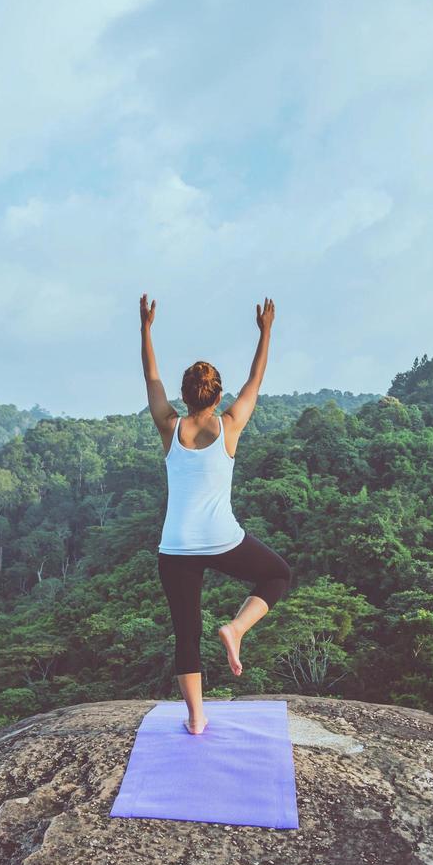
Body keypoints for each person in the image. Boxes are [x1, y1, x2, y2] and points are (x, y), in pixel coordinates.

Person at [139, 292, 292, 735]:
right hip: (224, 539)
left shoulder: (170, 426)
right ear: (218, 395)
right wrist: (265, 333)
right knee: (278, 574)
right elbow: (255, 380)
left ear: (183, 396)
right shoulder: (230, 424)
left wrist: (146, 329)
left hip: (177, 546)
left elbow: (151, 378)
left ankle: (197, 718)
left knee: (185, 634)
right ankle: (237, 628)